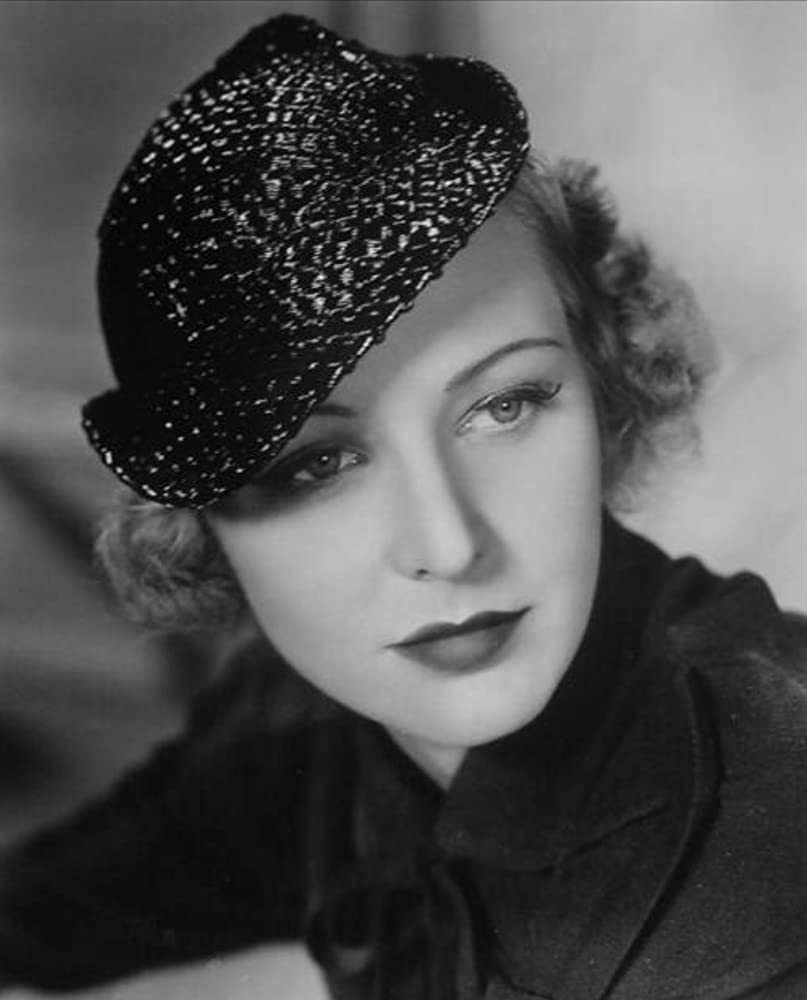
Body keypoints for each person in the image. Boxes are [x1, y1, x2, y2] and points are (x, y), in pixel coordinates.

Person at [2, 12, 806, 999]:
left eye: (505, 406)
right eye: (316, 464)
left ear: (603, 383)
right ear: (199, 522)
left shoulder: (765, 845)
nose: (448, 544)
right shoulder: (301, 728)